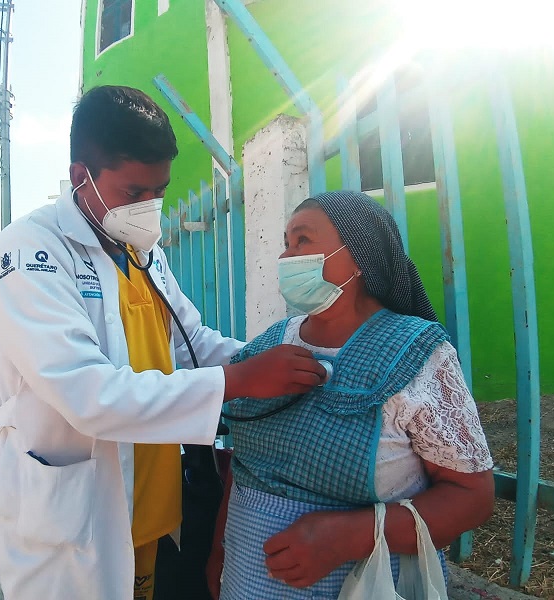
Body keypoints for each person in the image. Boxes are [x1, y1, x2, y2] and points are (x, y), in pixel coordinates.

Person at [0, 85, 326, 600]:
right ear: (81, 178)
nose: (149, 207)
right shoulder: (30, 253)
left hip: (152, 508)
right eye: (133, 192)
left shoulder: (140, 250)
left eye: (158, 191)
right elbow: (87, 394)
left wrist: (265, 365)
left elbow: (188, 342)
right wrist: (237, 381)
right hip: (77, 522)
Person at [206, 190, 495, 599]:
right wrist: (220, 551)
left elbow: (472, 498)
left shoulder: (417, 354)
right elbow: (244, 467)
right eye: (286, 244)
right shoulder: (270, 345)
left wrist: (351, 536)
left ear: (359, 255)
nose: (288, 258)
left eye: (303, 241)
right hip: (244, 580)